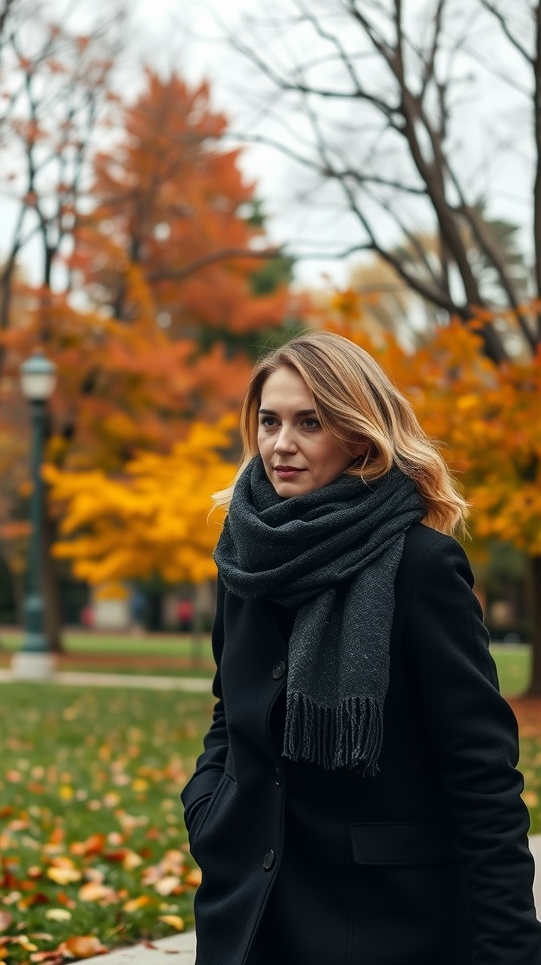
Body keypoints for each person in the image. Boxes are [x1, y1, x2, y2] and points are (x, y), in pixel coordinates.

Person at [181, 331, 541, 965]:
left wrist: (510, 947)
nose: (281, 443)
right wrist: (207, 805)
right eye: (269, 421)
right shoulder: (243, 562)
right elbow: (228, 712)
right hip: (250, 914)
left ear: (357, 435)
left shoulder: (423, 567)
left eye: (309, 422)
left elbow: (482, 774)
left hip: (385, 920)